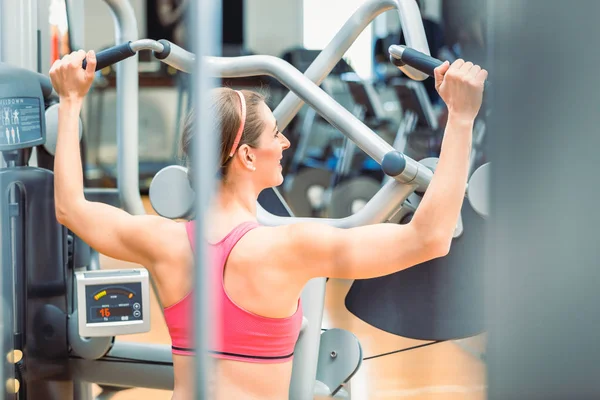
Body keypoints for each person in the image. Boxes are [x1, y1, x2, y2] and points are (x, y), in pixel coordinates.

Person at [49, 49, 487, 400]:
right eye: (275, 133)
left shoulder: (163, 241)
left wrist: (71, 102)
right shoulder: (289, 247)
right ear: (246, 156)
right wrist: (462, 117)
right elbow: (429, 239)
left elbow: (71, 208)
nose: (285, 141)